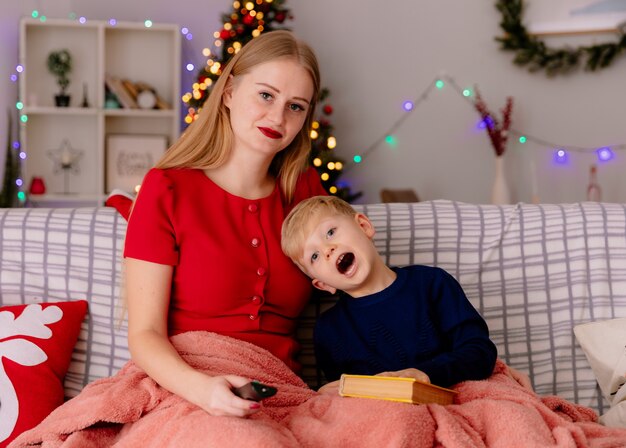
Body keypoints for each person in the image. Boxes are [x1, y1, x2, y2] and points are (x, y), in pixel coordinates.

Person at [123, 30, 327, 418]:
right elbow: (144, 334)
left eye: (296, 106)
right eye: (265, 95)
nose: (278, 117)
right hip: (185, 386)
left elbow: (350, 275)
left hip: (279, 392)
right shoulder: (166, 188)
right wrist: (202, 391)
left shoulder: (305, 191)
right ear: (230, 91)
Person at [281, 195, 498, 391]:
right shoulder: (329, 330)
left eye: (330, 232)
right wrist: (332, 393)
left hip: (449, 396)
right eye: (314, 256)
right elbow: (344, 397)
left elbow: (479, 352)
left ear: (364, 226)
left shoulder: (432, 284)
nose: (327, 250)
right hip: (383, 419)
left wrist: (427, 375)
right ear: (322, 285)